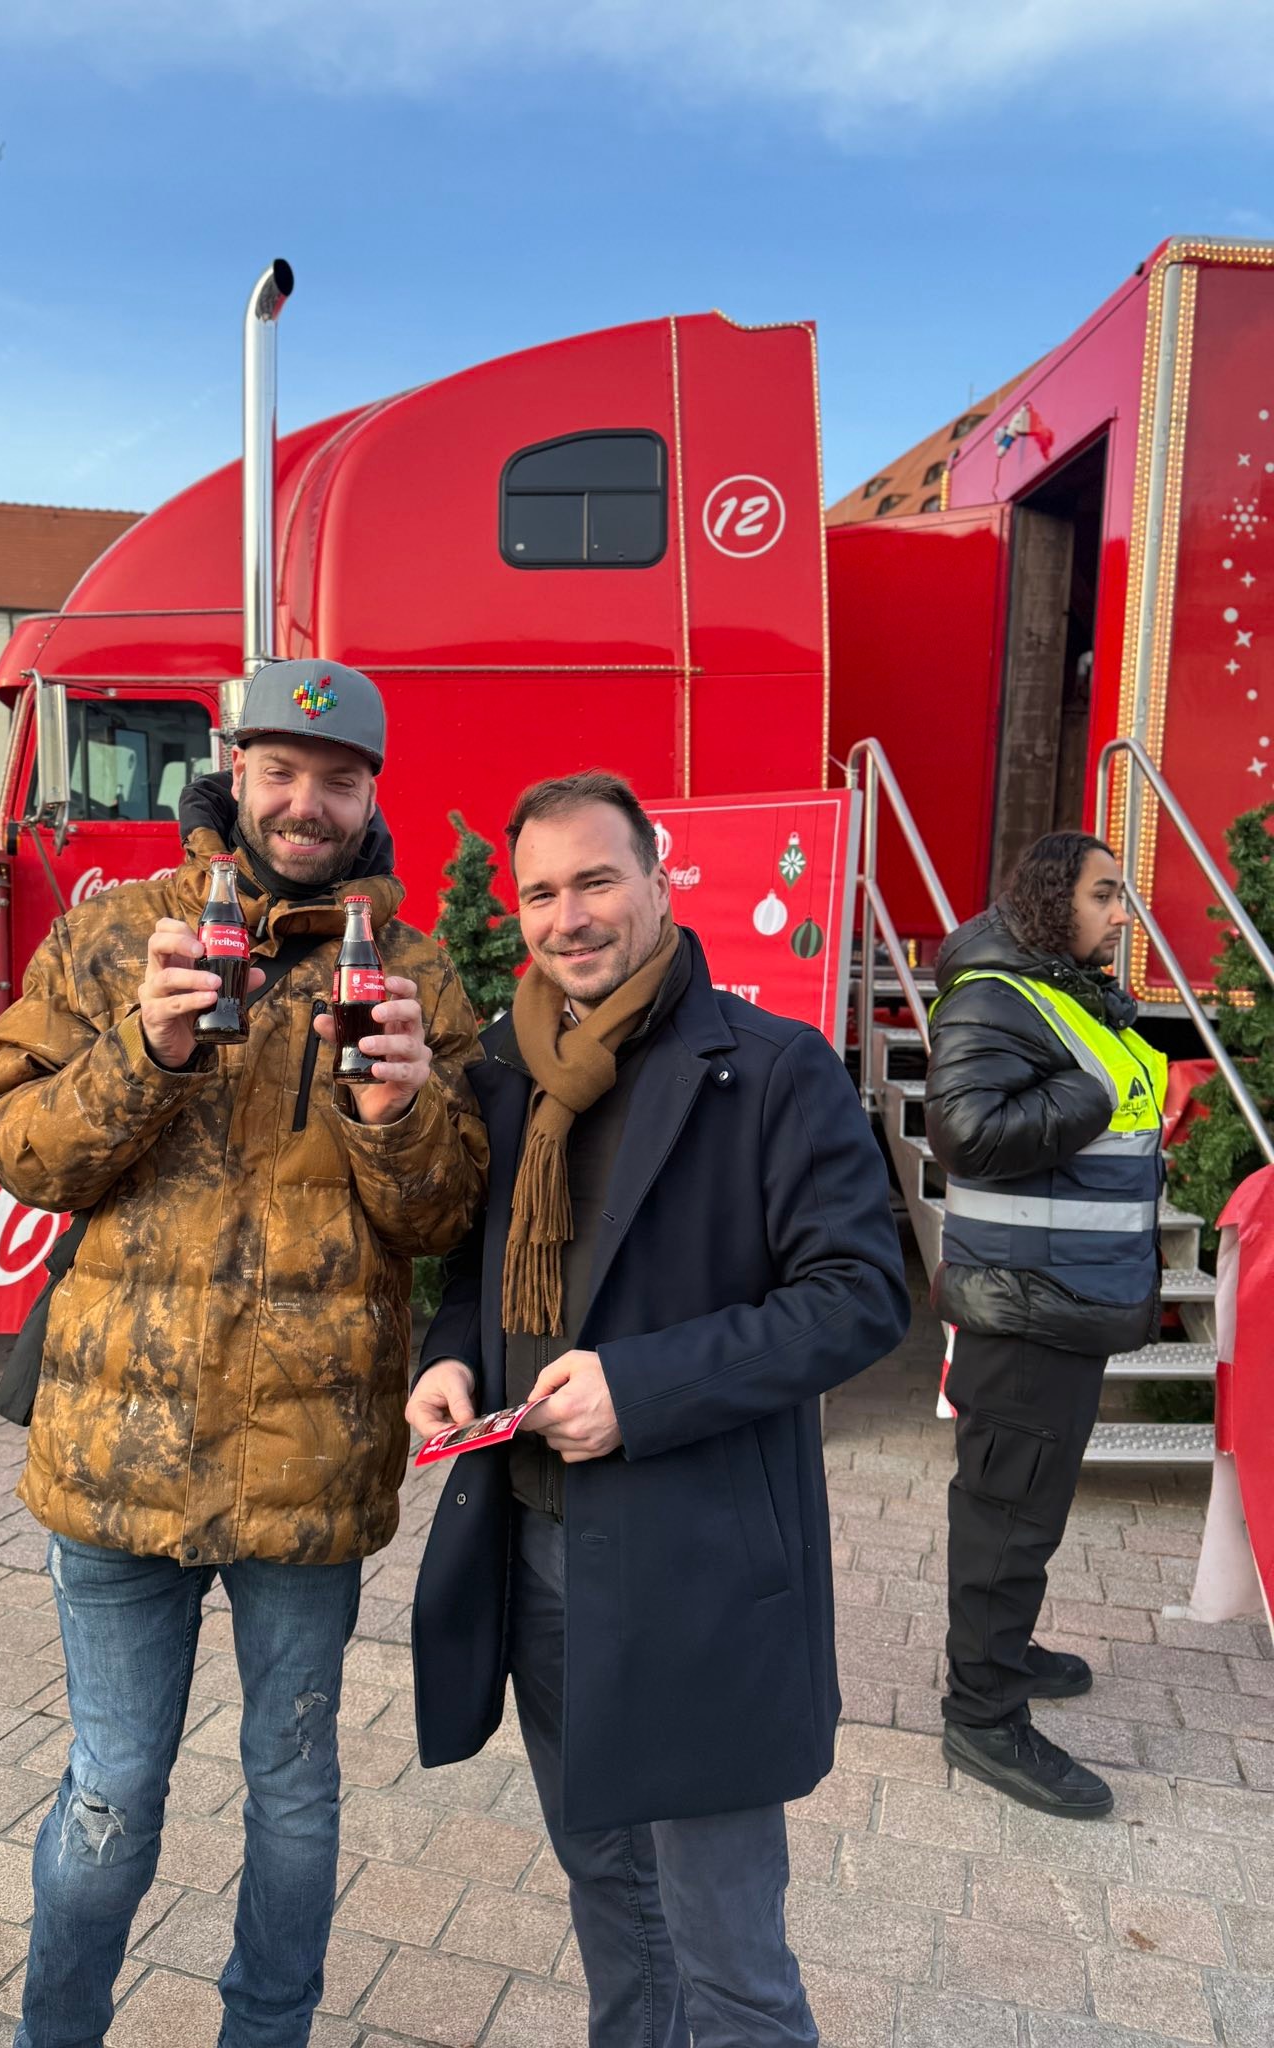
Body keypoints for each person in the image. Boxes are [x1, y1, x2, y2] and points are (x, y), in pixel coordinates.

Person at [0, 659, 487, 2048]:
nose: (308, 802)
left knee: (295, 1790)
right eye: (282, 772)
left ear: (374, 792)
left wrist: (396, 1110)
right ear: (234, 773)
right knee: (113, 1788)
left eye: (340, 778)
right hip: (115, 1462)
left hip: (309, 1467)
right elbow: (8, 1144)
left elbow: (447, 1216)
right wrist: (150, 1044)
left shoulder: (416, 971)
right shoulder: (117, 934)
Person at [406, 771, 910, 2048]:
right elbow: (479, 1274)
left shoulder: (773, 1067)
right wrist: (450, 1355)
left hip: (696, 1566)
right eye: (539, 891)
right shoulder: (506, 1073)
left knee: (728, 1948)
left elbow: (861, 1296)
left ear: (659, 882)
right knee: (612, 1905)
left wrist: (644, 1387)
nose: (567, 915)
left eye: (595, 879)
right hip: (535, 1550)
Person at [925, 831, 1165, 1818]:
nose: (1123, 914)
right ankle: (983, 1714)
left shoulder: (1060, 990)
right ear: (1048, 900)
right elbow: (966, 1131)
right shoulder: (996, 994)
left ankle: (1004, 1650)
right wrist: (1091, 1089)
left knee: (1026, 1508)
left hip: (1055, 1301)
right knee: (1007, 1515)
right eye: (1106, 894)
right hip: (1024, 1308)